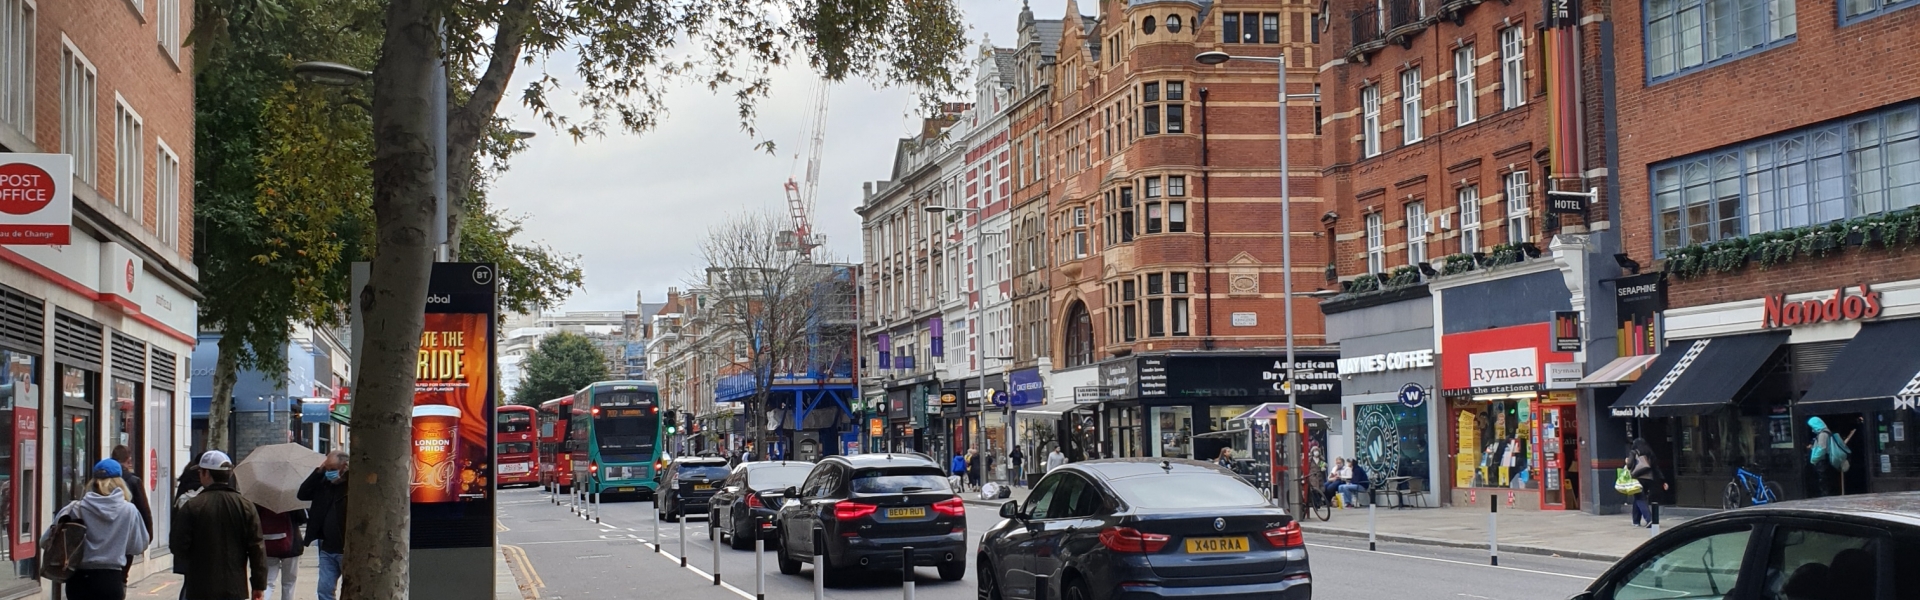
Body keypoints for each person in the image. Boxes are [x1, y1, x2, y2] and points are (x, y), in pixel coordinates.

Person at [46, 459, 151, 600]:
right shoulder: (129, 510)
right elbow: (138, 546)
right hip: (111, 580)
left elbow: (44, 541)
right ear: (119, 482)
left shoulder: (74, 508)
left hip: (79, 580)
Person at [173, 450, 267, 600]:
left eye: (200, 472)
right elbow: (257, 548)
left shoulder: (192, 506)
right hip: (235, 587)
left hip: (200, 587)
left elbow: (178, 545)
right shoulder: (245, 506)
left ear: (206, 474)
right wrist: (258, 584)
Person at [297, 451, 349, 600]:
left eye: (332, 469)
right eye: (327, 469)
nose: (329, 473)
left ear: (344, 467)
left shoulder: (351, 486)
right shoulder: (323, 484)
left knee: (350, 589)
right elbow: (302, 493)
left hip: (345, 548)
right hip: (327, 548)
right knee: (324, 590)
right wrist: (318, 472)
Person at [253, 504, 304, 600]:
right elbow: (302, 518)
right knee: (289, 583)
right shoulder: (290, 499)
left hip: (268, 545)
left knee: (268, 582)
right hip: (291, 546)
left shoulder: (261, 500)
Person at [1807, 417, 1857, 497]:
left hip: (1823, 463)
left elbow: (1822, 448)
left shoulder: (1823, 434)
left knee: (1824, 485)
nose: (1812, 430)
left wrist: (1813, 459)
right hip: (1825, 463)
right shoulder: (1825, 433)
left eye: (1813, 427)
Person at [1628, 439, 1667, 527]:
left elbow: (1629, 465)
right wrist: (1662, 480)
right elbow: (1655, 467)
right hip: (1649, 479)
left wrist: (1627, 462)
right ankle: (1636, 520)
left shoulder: (1634, 452)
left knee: (1640, 498)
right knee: (1637, 498)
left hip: (1638, 478)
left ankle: (1649, 519)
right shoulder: (1650, 453)